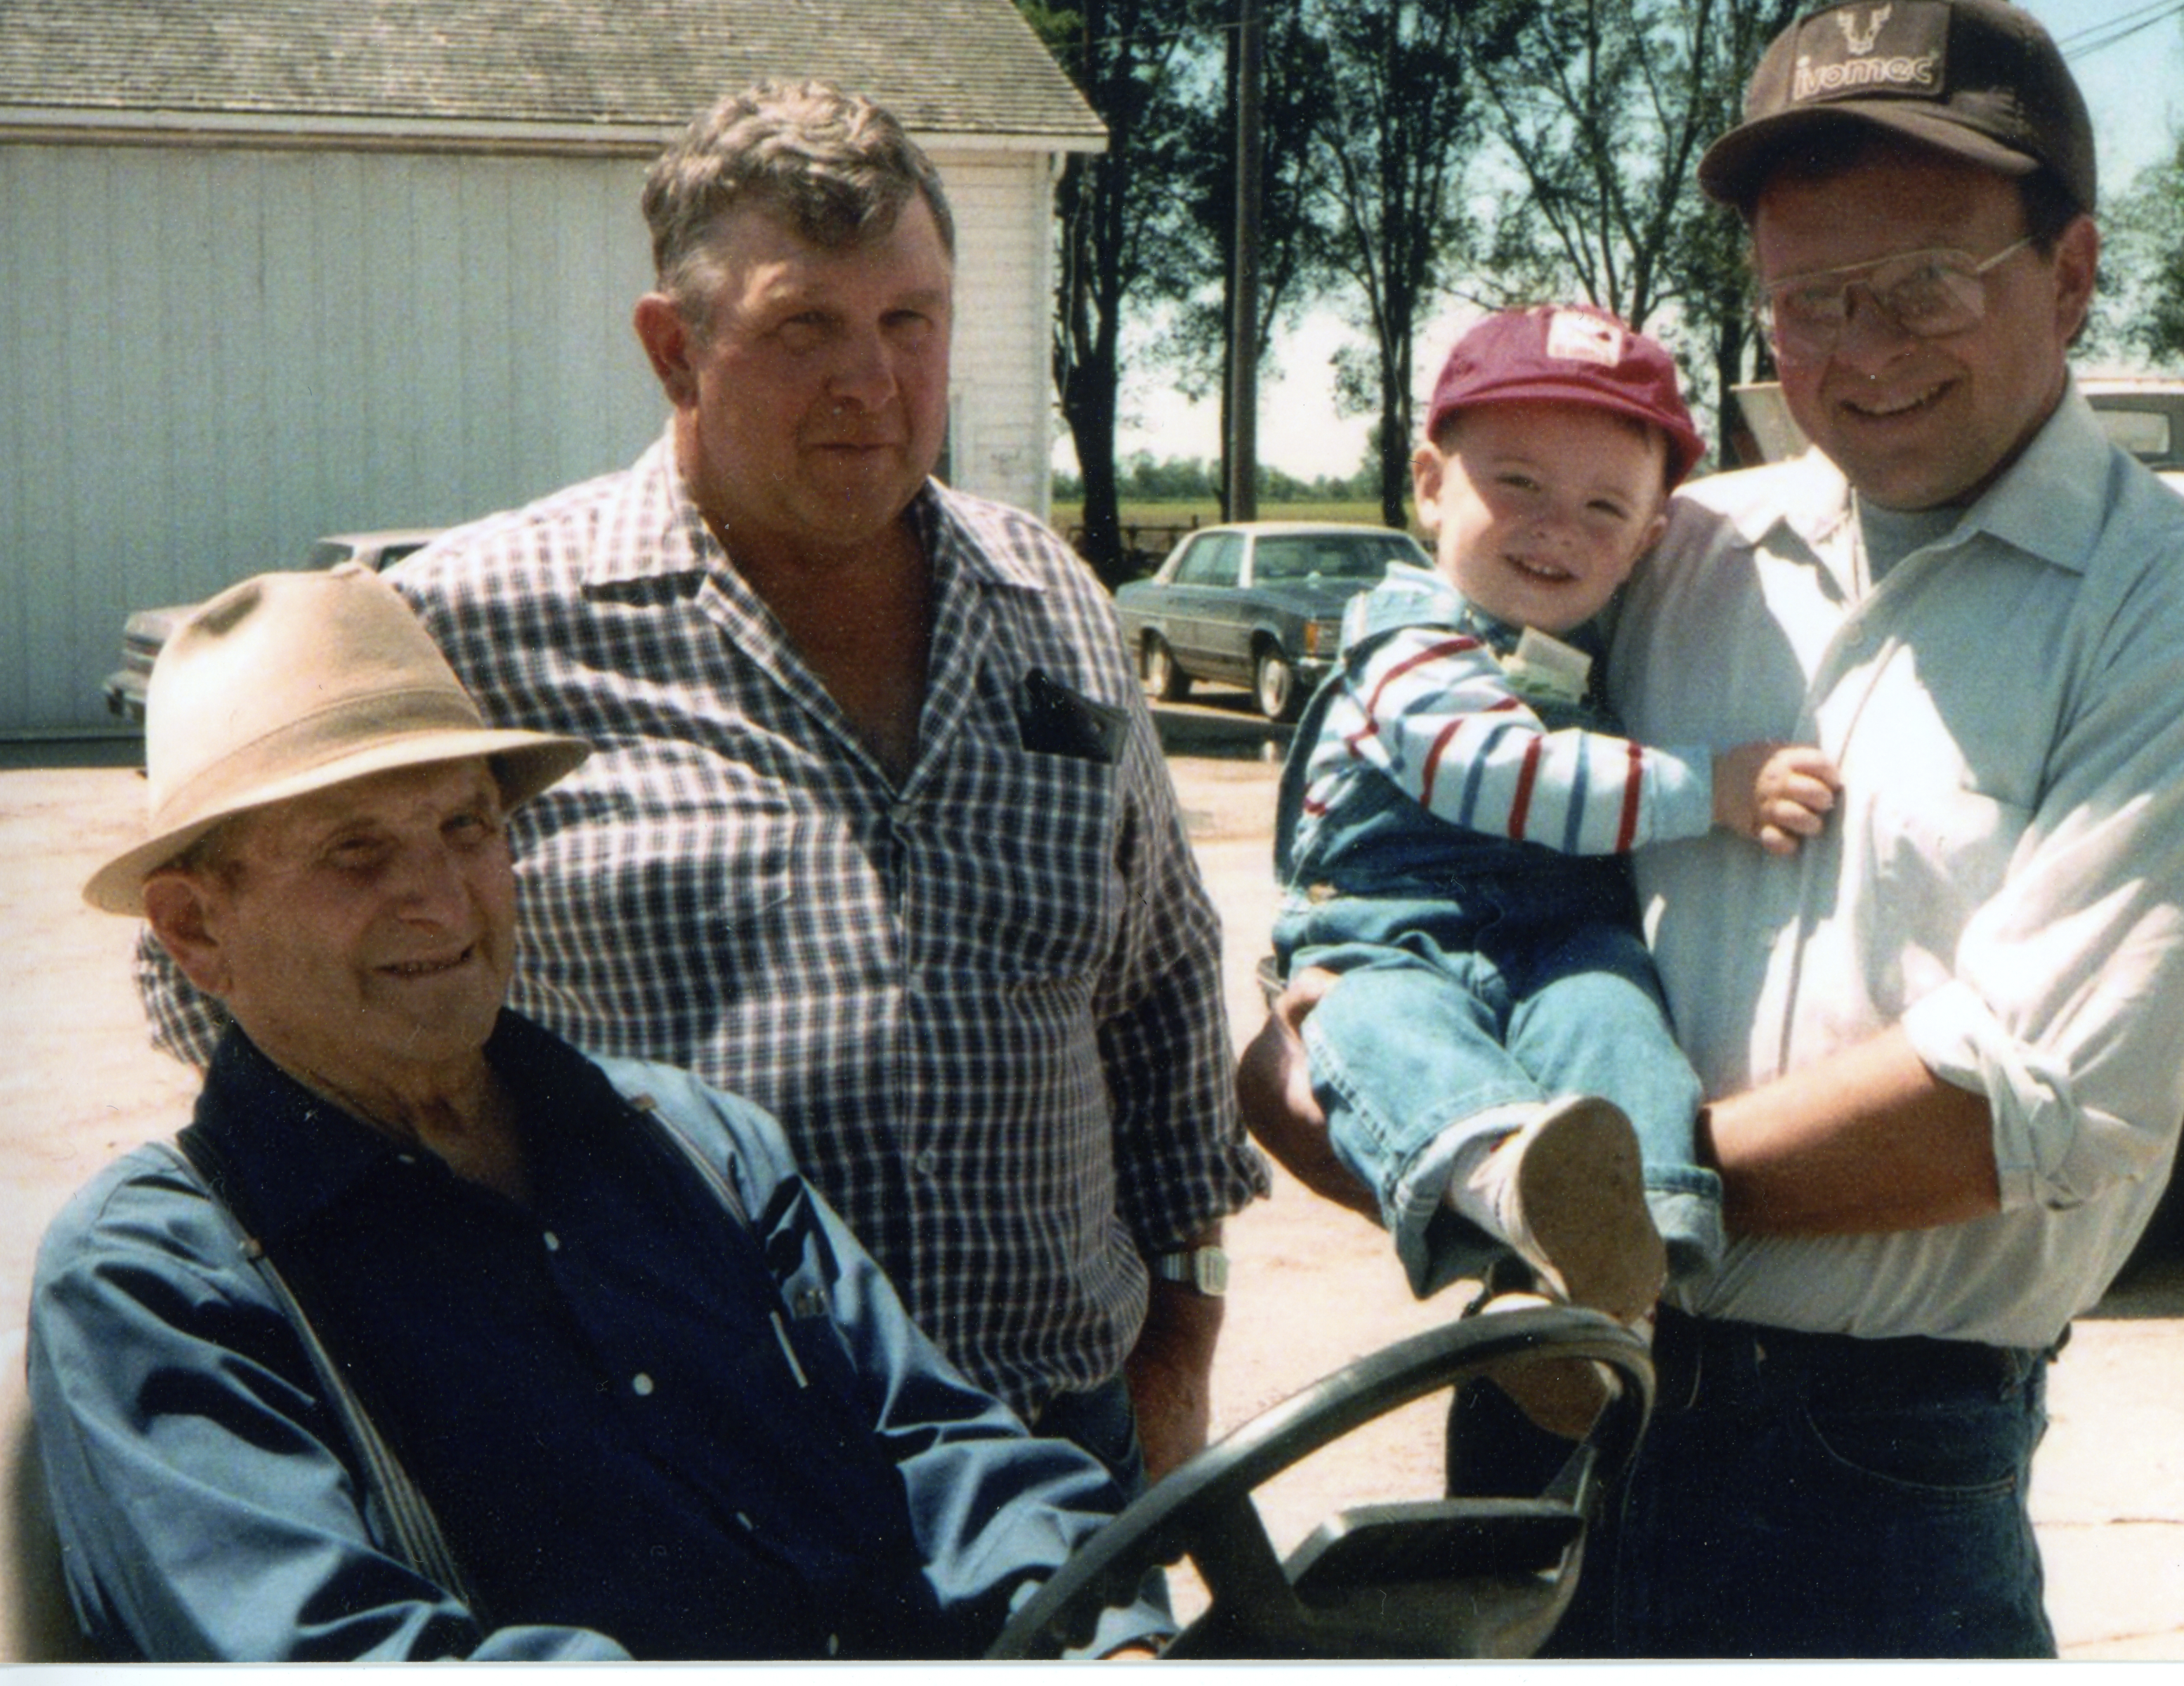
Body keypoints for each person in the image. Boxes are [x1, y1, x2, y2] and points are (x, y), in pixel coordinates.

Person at [1242, 0, 2184, 1658]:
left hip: (1867, 1473)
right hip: (1544, 1403)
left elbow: (2013, 1106)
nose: (1867, 348)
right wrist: (1347, 1049)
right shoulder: (1676, 549)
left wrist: (1554, 1188)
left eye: (1926, 286)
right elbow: (1437, 813)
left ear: (2072, 274)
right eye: (1812, 301)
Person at [135, 80, 1267, 1489]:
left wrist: (1176, 1364)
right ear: (674, 352)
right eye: (806, 327)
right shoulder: (463, 631)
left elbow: (1160, 1012)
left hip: (1068, 1462)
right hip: (688, 1493)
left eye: (909, 321)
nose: (873, 379)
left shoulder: (1053, 603)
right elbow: (221, 984)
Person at [32, 565, 1171, 1662]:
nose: (438, 900)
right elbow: (332, 1648)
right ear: (193, 932)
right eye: (355, 852)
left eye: (468, 828)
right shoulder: (161, 1278)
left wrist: (1104, 1632)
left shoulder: (695, 1141)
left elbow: (937, 1446)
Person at [1271, 304, 1839, 1435]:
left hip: (1556, 940)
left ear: (1643, 542)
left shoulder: (1600, 650)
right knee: (1383, 1037)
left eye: (1601, 509)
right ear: (1431, 484)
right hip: (1392, 934)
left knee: (1617, 1028)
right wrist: (1708, 789)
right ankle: (1502, 1183)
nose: (1554, 531)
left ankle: (1597, 1297)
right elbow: (1493, 771)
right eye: (1517, 485)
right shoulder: (1412, 635)